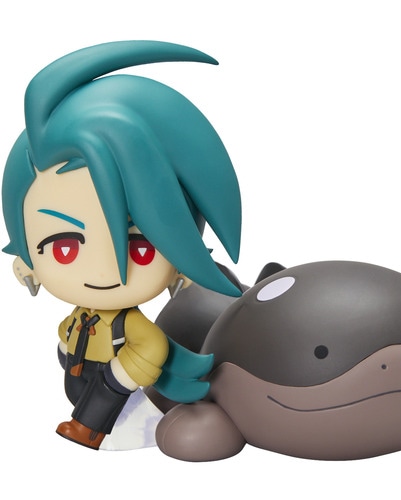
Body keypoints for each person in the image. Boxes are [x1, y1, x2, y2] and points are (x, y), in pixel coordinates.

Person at [2, 40, 242, 449]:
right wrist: (66, 345)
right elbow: (70, 331)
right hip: (82, 370)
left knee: (104, 406)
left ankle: (90, 429)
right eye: (64, 248)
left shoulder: (127, 326)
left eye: (141, 248)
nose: (104, 270)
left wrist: (121, 375)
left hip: (115, 383)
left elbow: (151, 346)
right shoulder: (84, 313)